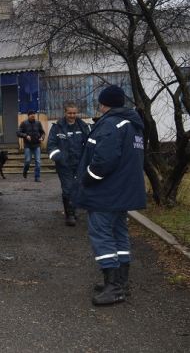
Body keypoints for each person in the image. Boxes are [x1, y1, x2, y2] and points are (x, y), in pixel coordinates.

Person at [73, 85, 146, 306]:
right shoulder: (133, 125)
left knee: (102, 236)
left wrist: (86, 178)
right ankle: (121, 283)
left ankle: (113, 287)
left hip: (105, 194)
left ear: (104, 104)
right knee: (119, 236)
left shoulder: (111, 125)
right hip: (122, 193)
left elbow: (103, 162)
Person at [47, 101, 90, 226]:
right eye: (70, 113)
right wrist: (60, 158)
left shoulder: (83, 126)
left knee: (77, 187)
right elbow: (51, 146)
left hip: (79, 164)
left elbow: (89, 144)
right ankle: (69, 214)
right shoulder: (57, 127)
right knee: (67, 188)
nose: (72, 115)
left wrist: (86, 160)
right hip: (64, 165)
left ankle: (74, 209)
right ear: (65, 112)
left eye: (74, 113)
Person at [17, 110, 45, 182]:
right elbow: (18, 132)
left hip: (37, 145)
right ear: (28, 116)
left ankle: (37, 177)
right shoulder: (24, 123)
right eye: (31, 116)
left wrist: (42, 137)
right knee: (27, 160)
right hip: (28, 145)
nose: (33, 117)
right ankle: (25, 170)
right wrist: (25, 135)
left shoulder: (38, 123)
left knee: (38, 162)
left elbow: (42, 132)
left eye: (34, 115)